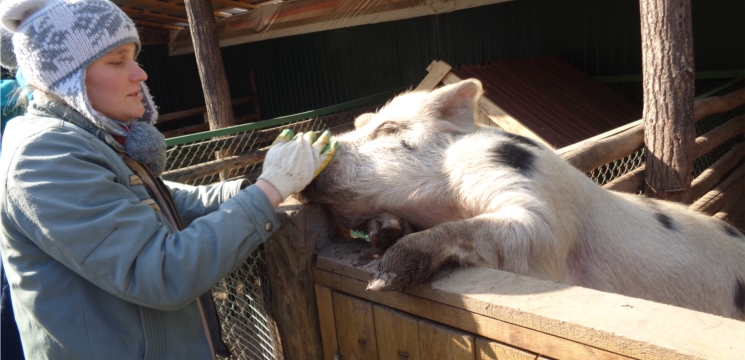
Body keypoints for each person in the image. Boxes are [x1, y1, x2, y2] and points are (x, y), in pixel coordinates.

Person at [0, 0, 337, 359]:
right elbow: (161, 273)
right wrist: (271, 191)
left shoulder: (90, 137)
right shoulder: (47, 156)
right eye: (117, 61)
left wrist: (254, 186)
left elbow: (160, 199)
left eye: (134, 57)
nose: (140, 75)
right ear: (65, 79)